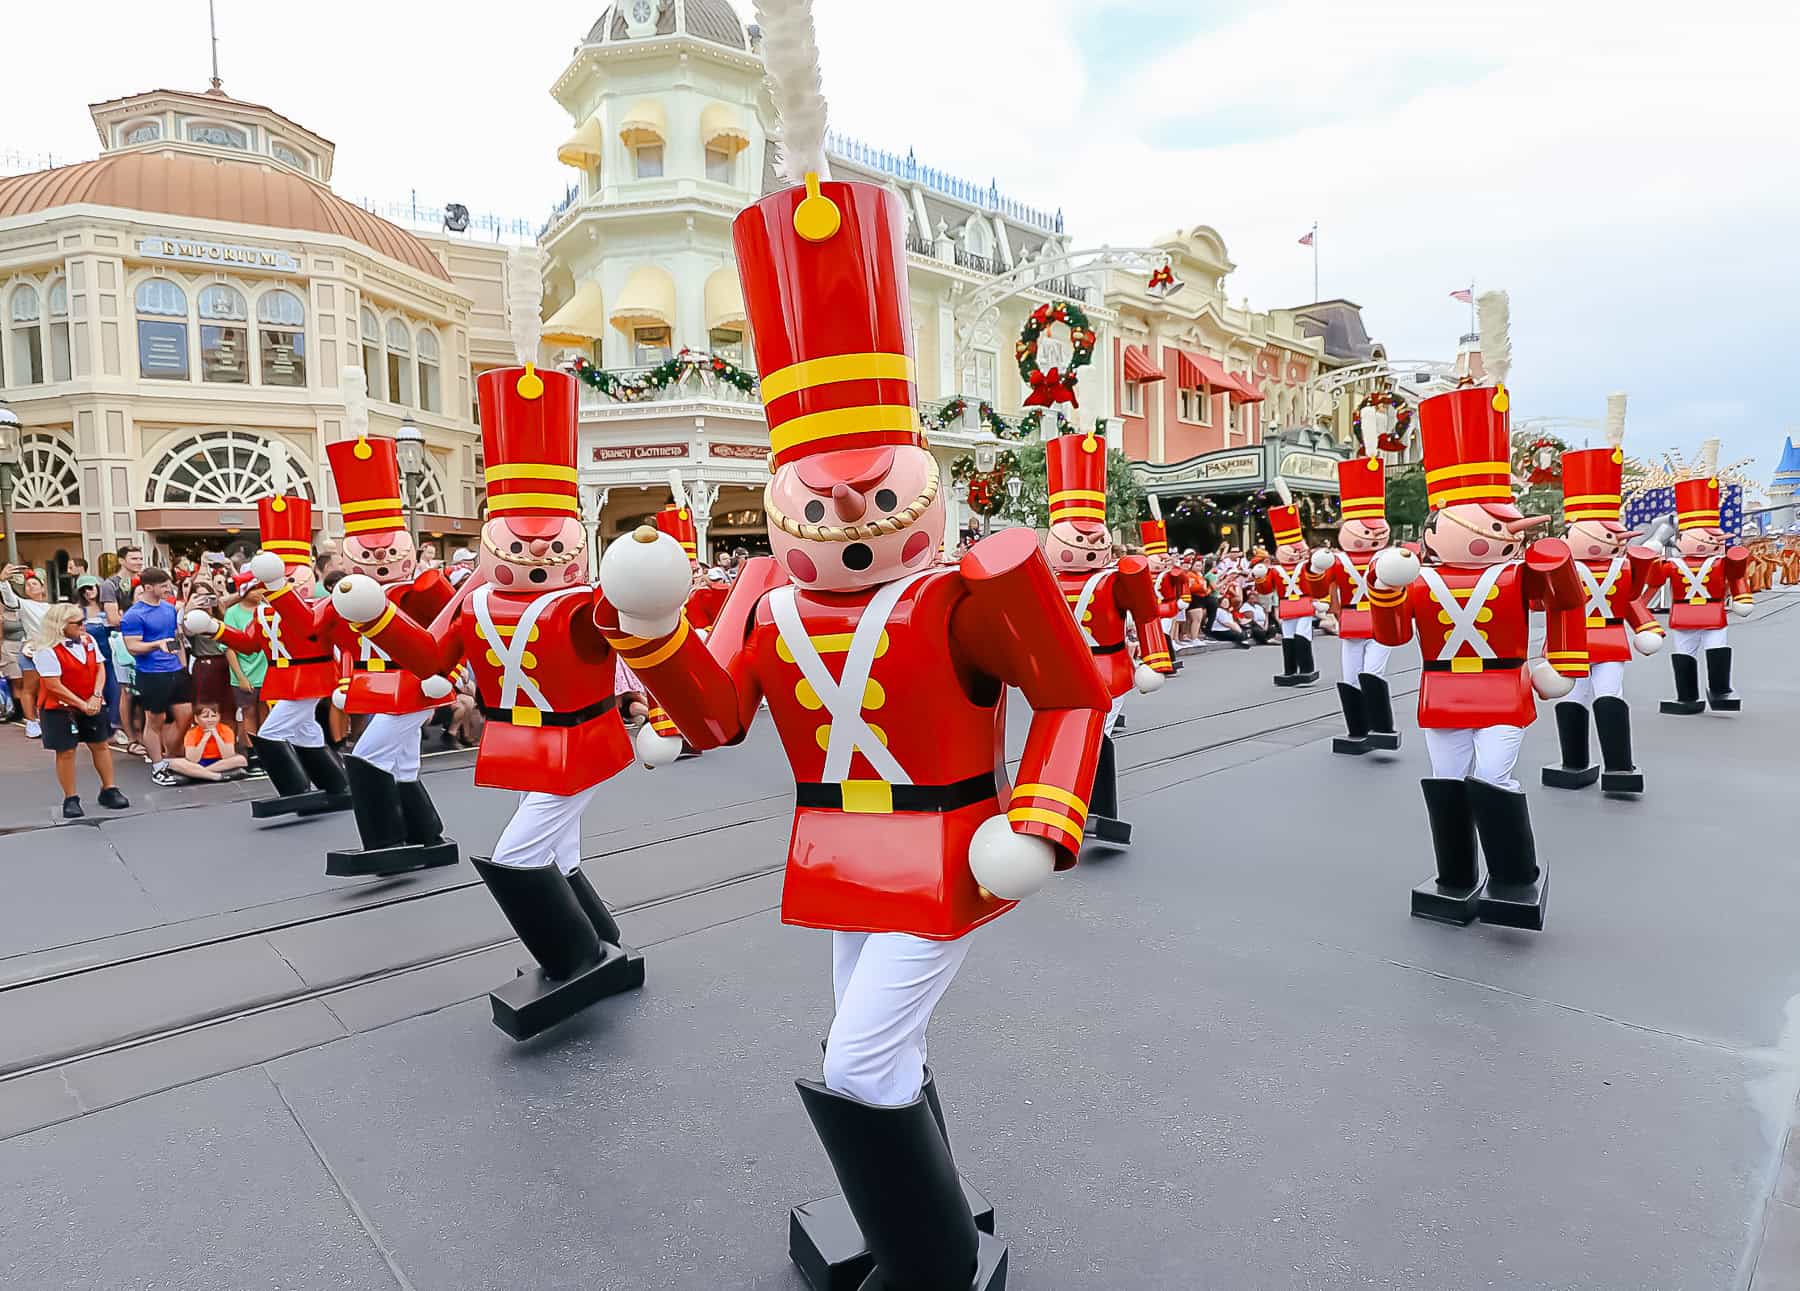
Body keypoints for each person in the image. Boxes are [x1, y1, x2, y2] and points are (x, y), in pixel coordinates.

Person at [599, 129, 1108, 1288]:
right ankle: (921, 1219)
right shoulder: (764, 593)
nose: (851, 520)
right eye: (820, 502)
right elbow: (720, 715)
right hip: (835, 847)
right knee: (876, 1043)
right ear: (782, 500)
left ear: (919, 484)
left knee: (860, 1060)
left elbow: (1075, 694)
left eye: (874, 495)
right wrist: (657, 635)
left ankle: (929, 1257)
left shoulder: (968, 587)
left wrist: (1041, 815)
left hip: (946, 847)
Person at [329, 313, 641, 1039]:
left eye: (550, 533)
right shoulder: (474, 597)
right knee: (558, 850)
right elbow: (433, 657)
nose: (534, 545)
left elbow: (635, 635)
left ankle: (576, 954)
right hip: (523, 742)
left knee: (517, 854)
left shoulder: (585, 599)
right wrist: (378, 617)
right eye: (517, 530)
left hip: (580, 740)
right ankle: (598, 939)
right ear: (493, 526)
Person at [1368, 290, 1587, 932]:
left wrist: (1562, 661)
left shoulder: (1521, 569)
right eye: (1487, 522)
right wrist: (1383, 587)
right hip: (1442, 692)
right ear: (1440, 524)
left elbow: (1566, 602)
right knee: (1446, 780)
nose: (1500, 531)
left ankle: (1515, 875)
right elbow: (1392, 634)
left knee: (1494, 777)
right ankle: (1457, 874)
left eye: (1503, 523)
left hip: (1504, 685)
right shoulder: (1417, 574)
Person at [1538, 395, 1664, 793]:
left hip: (1609, 638)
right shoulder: (1561, 565)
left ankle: (1619, 766)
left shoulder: (1623, 566)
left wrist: (1645, 626)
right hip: (1569, 642)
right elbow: (1540, 600)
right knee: (1572, 698)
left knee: (1609, 695)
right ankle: (1574, 761)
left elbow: (1630, 601)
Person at [28, 604, 129, 819]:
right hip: (59, 708)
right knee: (66, 751)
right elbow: (53, 685)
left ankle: (109, 788)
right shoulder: (46, 650)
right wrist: (81, 704)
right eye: (78, 623)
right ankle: (70, 797)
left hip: (90, 700)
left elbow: (100, 667)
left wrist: (96, 695)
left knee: (100, 744)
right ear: (62, 625)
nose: (84, 626)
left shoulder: (88, 641)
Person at [120, 567, 193, 785]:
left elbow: (176, 638)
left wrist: (183, 665)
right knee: (155, 719)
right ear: (148, 587)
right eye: (163, 586)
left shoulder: (169, 609)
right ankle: (158, 765)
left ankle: (172, 758)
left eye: (167, 585)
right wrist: (156, 645)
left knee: (186, 714)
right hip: (152, 673)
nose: (167, 589)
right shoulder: (134, 615)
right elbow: (132, 647)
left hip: (175, 670)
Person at [1, 567, 51, 737]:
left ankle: (45, 719)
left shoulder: (52, 607)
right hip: (31, 650)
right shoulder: (24, 604)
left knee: (50, 687)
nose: (30, 587)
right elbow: (10, 599)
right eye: (28, 585)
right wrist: (3, 581)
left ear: (43, 587)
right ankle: (31, 721)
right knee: (29, 688)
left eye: (34, 584)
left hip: (51, 651)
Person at [224, 574, 268, 748]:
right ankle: (252, 750)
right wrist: (240, 676)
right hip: (244, 672)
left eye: (261, 587)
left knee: (266, 711)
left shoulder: (267, 609)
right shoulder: (233, 613)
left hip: (267, 672)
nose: (260, 592)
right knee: (248, 711)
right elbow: (229, 648)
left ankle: (267, 749)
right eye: (255, 588)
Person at [164, 703, 249, 782]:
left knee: (241, 760)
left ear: (219, 717)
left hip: (220, 762)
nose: (210, 720)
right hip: (198, 763)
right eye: (205, 717)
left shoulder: (226, 730)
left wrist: (216, 736)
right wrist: (205, 738)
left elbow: (227, 756)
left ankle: (196, 774)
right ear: (196, 719)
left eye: (213, 716)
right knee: (173, 763)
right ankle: (216, 776)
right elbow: (193, 759)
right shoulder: (192, 733)